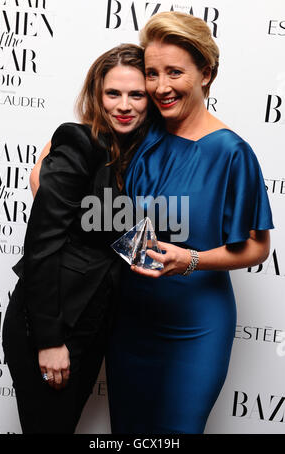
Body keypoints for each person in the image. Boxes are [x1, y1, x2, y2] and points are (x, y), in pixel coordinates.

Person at [105, 12, 274, 434]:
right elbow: (67, 147)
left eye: (175, 72)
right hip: (128, 322)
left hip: (195, 328)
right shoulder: (143, 130)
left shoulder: (231, 151)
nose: (161, 86)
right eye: (152, 73)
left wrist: (192, 259)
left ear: (206, 74)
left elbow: (257, 246)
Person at [2, 43, 154, 434]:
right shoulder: (78, 141)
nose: (124, 105)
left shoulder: (138, 156)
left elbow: (131, 245)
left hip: (93, 324)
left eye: (136, 94)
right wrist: (50, 342)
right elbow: (43, 244)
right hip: (51, 325)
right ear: (97, 96)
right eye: (113, 93)